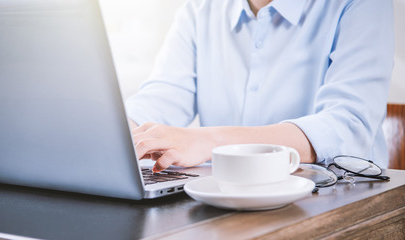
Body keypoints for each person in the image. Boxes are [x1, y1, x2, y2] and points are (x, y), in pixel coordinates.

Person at [125, 0, 394, 173]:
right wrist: (114, 132)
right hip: (226, 196)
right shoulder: (198, 10)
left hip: (339, 200)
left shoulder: (361, 4)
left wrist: (209, 141)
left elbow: (347, 127)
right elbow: (163, 96)